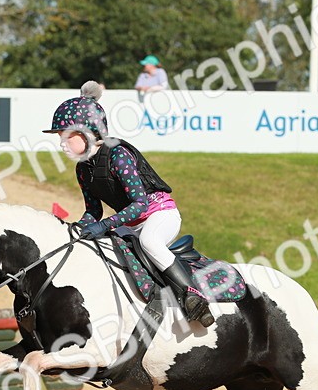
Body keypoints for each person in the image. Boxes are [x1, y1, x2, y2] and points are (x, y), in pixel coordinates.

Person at [44, 81, 213, 327]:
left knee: (149, 242)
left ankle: (194, 298)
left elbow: (140, 205)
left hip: (159, 214)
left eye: (67, 136)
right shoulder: (83, 169)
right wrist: (77, 229)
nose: (62, 143)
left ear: (87, 132)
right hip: (130, 222)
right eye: (60, 137)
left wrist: (104, 226)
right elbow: (94, 211)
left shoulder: (117, 154)